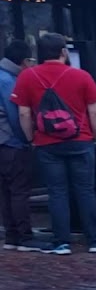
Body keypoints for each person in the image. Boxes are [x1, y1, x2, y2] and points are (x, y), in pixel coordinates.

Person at [11, 33, 96, 255]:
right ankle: (94, 239)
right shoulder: (82, 76)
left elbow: (24, 114)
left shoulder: (27, 77)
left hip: (47, 142)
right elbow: (94, 111)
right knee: (85, 190)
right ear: (64, 52)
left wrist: (30, 137)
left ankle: (61, 241)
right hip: (80, 139)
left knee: (57, 192)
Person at [0, 40, 35, 252]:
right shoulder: (9, 80)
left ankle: (11, 235)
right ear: (23, 61)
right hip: (10, 141)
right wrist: (27, 138)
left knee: (5, 191)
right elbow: (16, 114)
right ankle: (24, 236)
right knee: (18, 190)